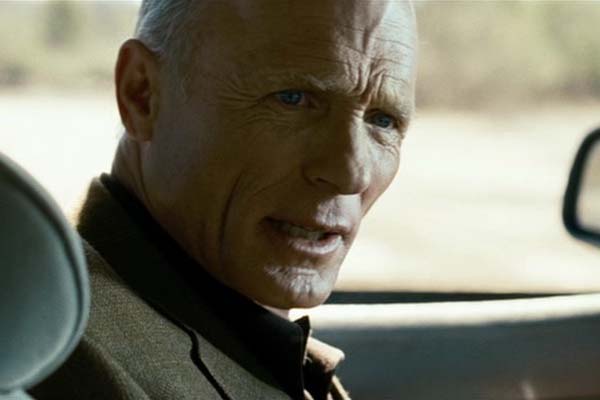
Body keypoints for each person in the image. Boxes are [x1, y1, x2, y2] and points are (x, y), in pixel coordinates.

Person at [31, 0, 416, 399]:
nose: (351, 174)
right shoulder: (52, 352)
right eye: (293, 99)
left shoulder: (243, 341)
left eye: (383, 120)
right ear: (142, 94)